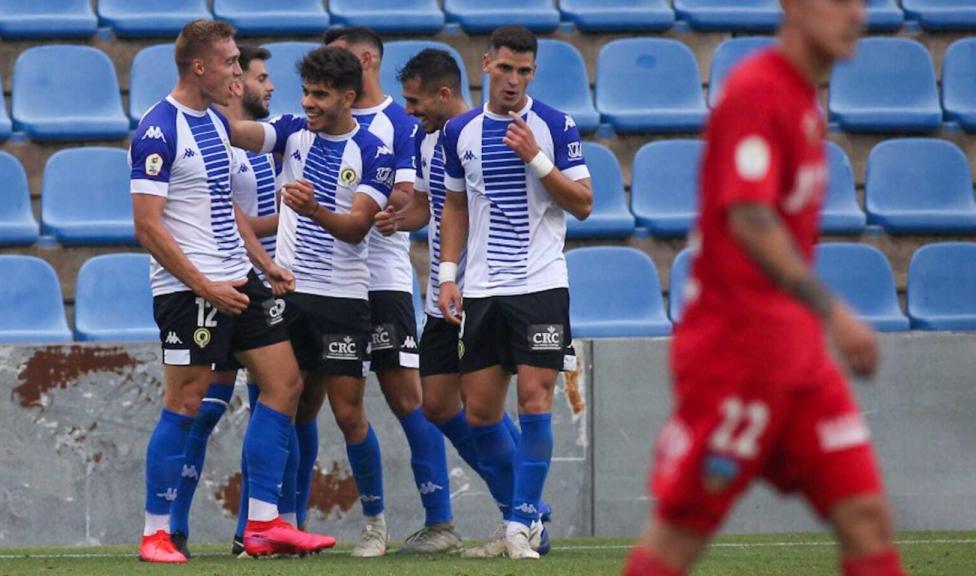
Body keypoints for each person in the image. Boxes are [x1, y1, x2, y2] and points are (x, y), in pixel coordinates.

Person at [622, 2, 908, 575]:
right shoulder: (758, 90)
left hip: (798, 361)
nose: (857, 14)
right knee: (681, 532)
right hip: (738, 356)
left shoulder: (806, 100)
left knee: (866, 517)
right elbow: (748, 215)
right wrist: (834, 312)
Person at [130, 21, 335, 563]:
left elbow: (229, 209)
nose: (239, 76)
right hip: (188, 287)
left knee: (285, 383)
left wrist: (263, 264)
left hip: (237, 280)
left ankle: (264, 524)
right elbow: (148, 227)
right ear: (200, 68)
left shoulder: (218, 127)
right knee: (186, 402)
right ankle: (156, 533)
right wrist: (205, 285)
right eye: (230, 65)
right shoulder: (158, 129)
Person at [382, 47, 553, 557]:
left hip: (487, 291)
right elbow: (431, 209)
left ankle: (521, 514)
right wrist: (397, 217)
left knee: (485, 407)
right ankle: (525, 509)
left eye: (415, 101)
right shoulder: (429, 137)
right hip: (443, 293)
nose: (409, 111)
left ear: (443, 92)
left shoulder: (484, 134)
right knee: (438, 404)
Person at [228, 45, 397, 558]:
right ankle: (272, 525)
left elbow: (356, 229)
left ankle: (374, 523)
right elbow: (239, 132)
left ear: (348, 97)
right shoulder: (291, 131)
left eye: (320, 95)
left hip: (343, 300)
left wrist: (314, 208)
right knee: (286, 402)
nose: (309, 103)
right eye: (305, 92)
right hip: (290, 293)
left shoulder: (374, 150)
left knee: (348, 415)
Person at [437, 25, 593, 560]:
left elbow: (584, 203)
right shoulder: (459, 131)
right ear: (486, 66)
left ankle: (523, 523)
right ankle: (519, 519)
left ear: (533, 73)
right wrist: (447, 274)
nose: (513, 80)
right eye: (505, 68)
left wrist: (537, 158)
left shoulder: (553, 125)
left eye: (524, 71)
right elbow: (454, 206)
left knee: (533, 402)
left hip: (540, 286)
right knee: (479, 414)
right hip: (481, 290)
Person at [313, 26, 460, 556]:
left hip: (383, 279)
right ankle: (369, 525)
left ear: (368, 59)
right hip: (326, 283)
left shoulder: (401, 121)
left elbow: (410, 199)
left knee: (407, 398)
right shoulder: (319, 116)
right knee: (335, 406)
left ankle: (440, 521)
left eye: (342, 58)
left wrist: (397, 211)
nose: (333, 70)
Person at [164, 43, 296, 558]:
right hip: (222, 280)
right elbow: (227, 217)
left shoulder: (266, 140)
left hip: (257, 280)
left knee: (285, 392)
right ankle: (172, 524)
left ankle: (264, 525)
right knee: (202, 406)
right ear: (235, 84)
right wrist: (286, 222)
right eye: (257, 76)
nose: (266, 85)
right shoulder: (214, 138)